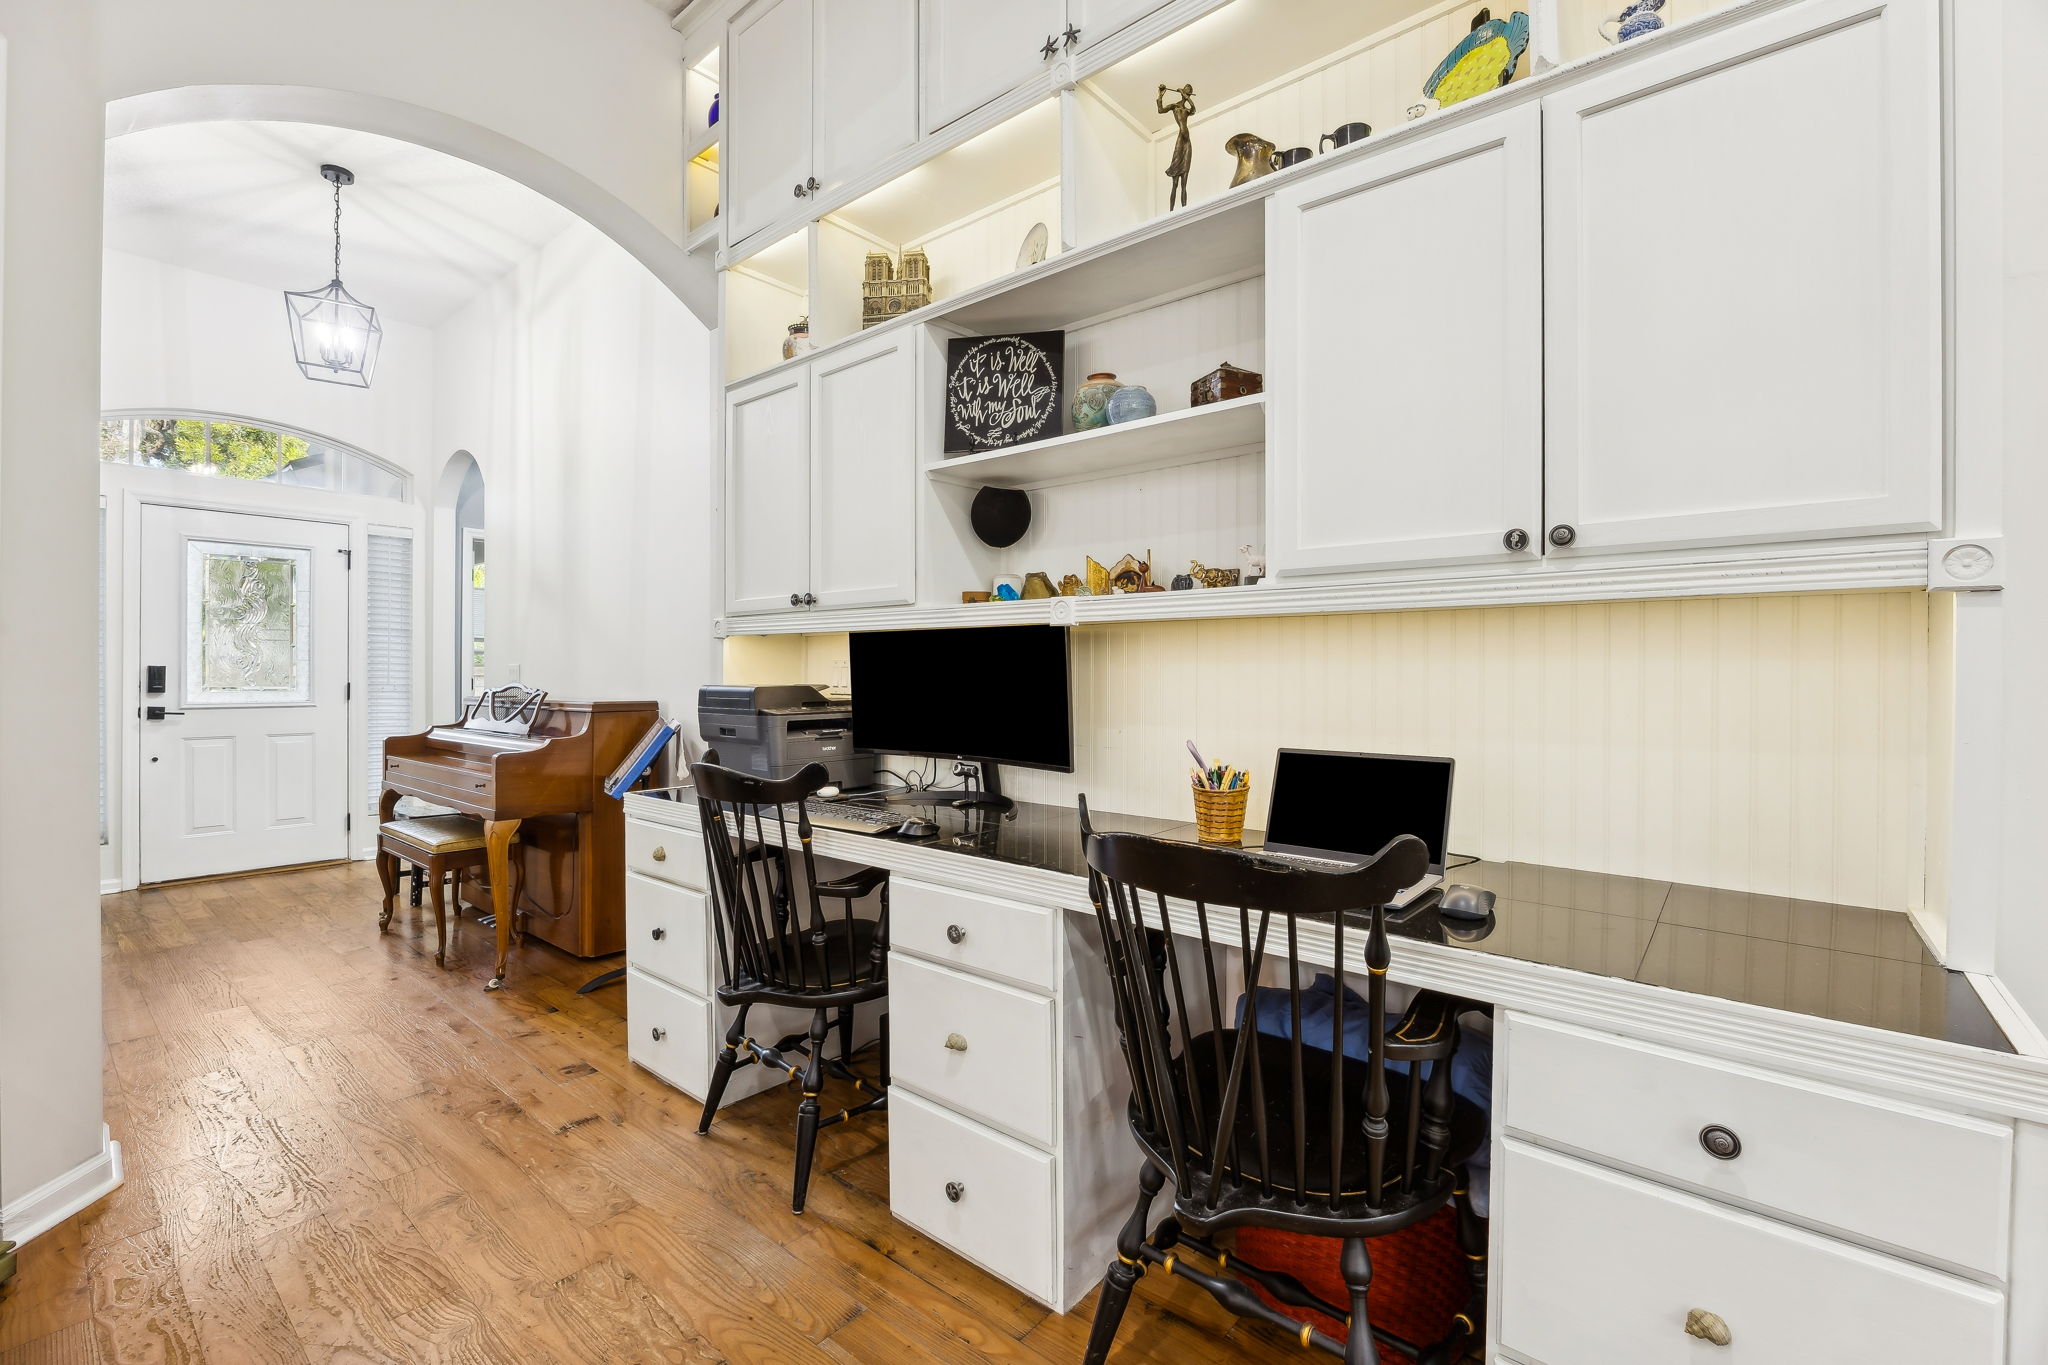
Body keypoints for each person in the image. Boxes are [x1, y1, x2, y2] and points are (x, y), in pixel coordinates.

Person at [1157, 83, 1195, 211]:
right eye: (1186, 91)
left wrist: (1186, 97)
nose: (1187, 93)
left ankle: (1184, 210)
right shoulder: (1175, 106)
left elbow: (1194, 108)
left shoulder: (1187, 110)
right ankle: (1171, 212)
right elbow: (1160, 110)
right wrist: (1160, 96)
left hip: (1187, 142)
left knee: (1184, 181)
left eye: (1189, 92)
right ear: (1182, 91)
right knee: (1175, 183)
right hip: (1180, 141)